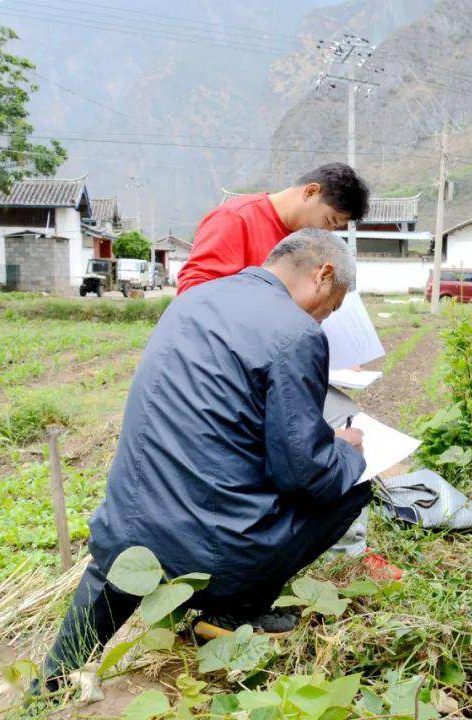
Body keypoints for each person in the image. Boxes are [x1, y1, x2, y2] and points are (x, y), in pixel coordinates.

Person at [37, 229, 370, 692]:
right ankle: (231, 608)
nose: (323, 319)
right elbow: (304, 475)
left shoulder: (192, 301)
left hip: (125, 528)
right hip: (213, 555)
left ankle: (48, 684)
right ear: (323, 274)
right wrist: (344, 448)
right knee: (352, 487)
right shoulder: (296, 334)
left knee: (119, 563)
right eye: (331, 307)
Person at [176, 163, 369, 294]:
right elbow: (194, 289)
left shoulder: (306, 241)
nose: (327, 231)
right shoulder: (236, 218)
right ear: (310, 192)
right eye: (329, 220)